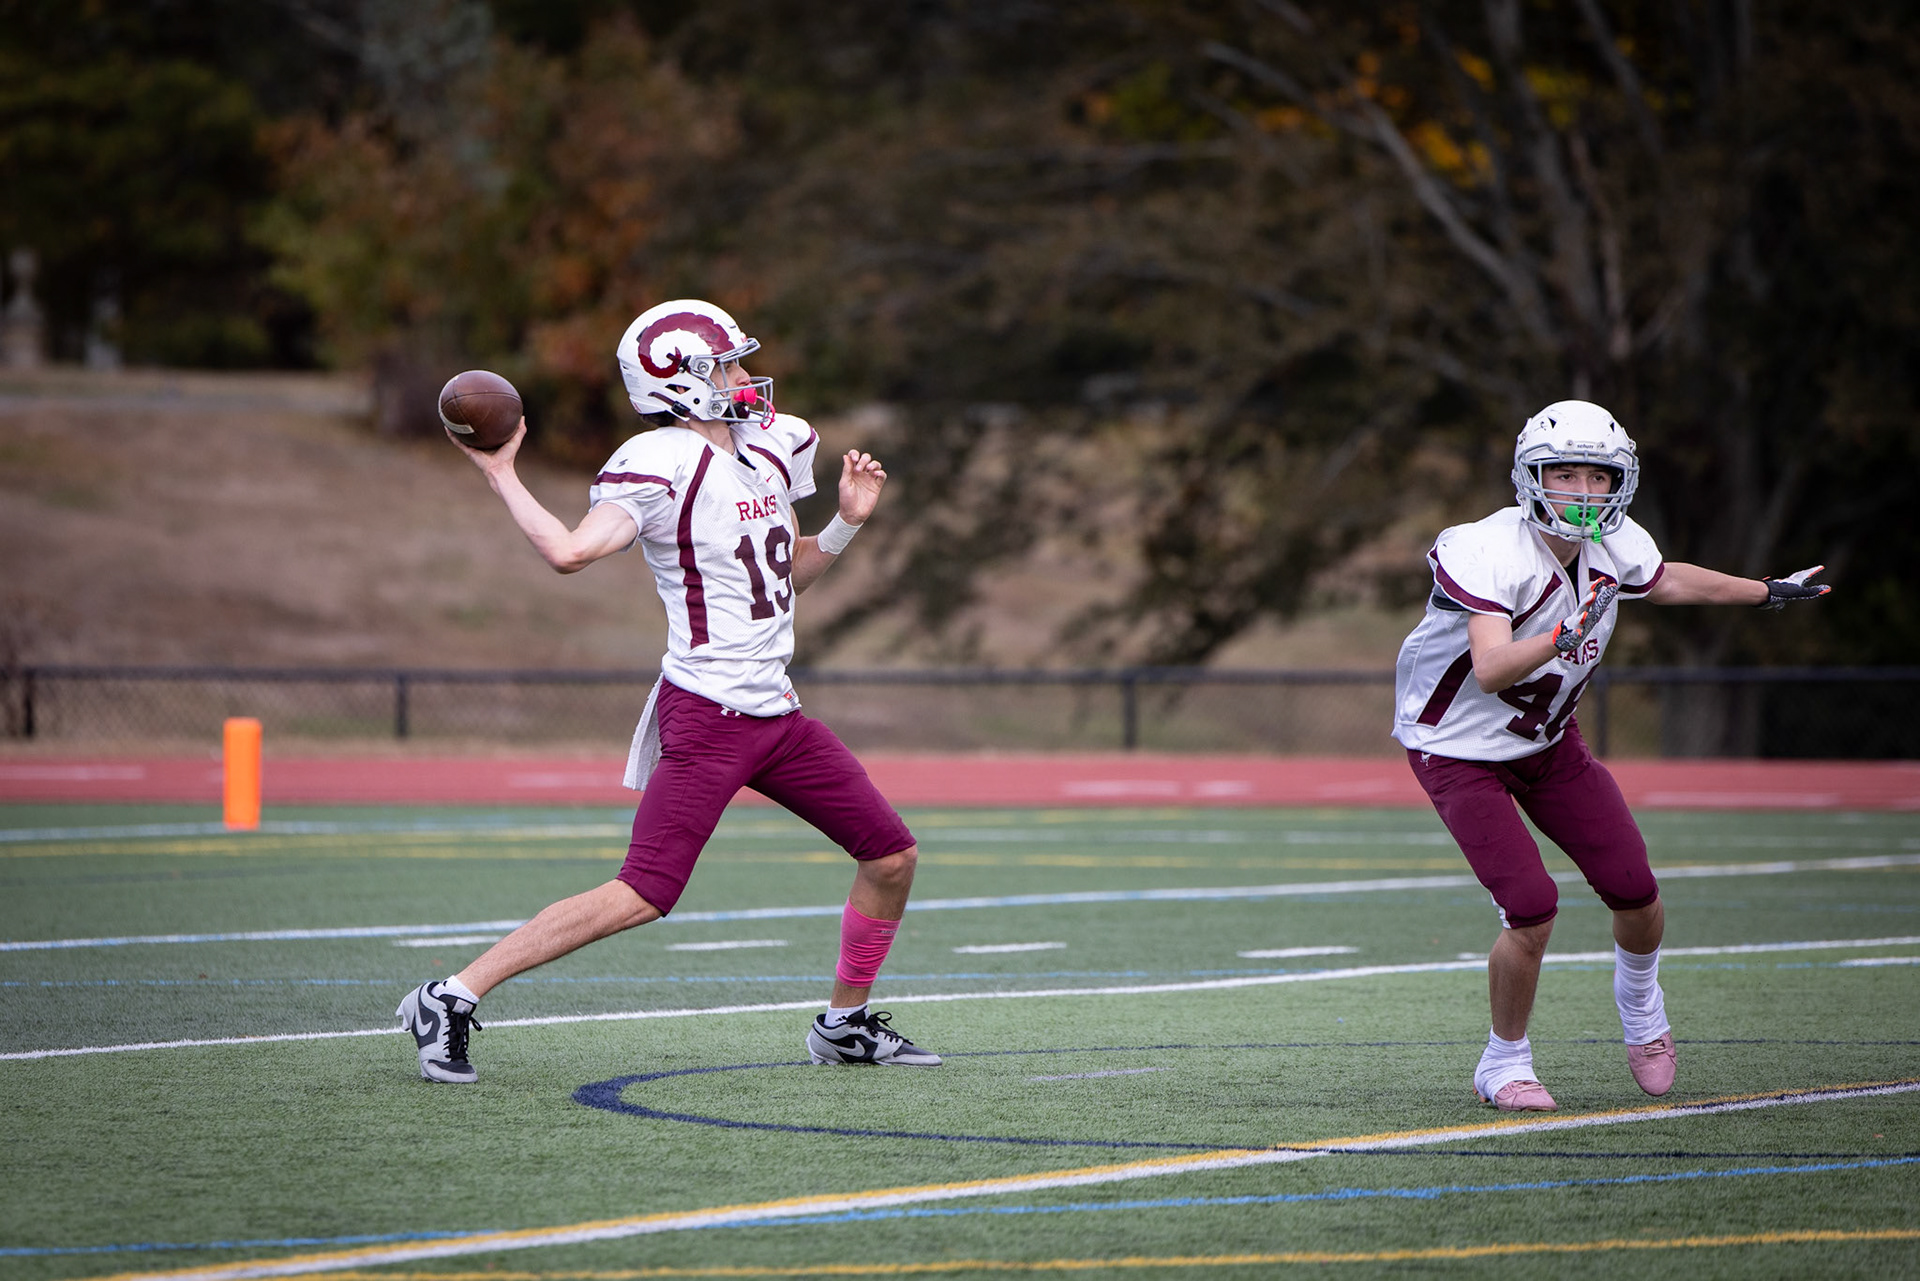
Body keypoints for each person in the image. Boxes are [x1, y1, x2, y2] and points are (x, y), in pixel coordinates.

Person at [396, 300, 940, 1082]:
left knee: (890, 856)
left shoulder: (770, 448)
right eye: (726, 364)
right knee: (645, 890)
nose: (745, 376)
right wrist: (501, 472)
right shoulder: (658, 463)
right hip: (710, 713)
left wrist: (847, 525)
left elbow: (782, 583)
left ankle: (843, 1024)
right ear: (683, 382)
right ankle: (449, 995)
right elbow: (569, 552)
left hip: (774, 711)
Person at [1392, 400, 1829, 1111]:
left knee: (1636, 889)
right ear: (1531, 477)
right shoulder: (1483, 547)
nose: (1583, 493)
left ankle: (1641, 1007)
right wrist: (1560, 636)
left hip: (1548, 741)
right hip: (1457, 749)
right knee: (1531, 906)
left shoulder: (1615, 543)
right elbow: (1492, 667)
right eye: (1563, 474)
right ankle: (1503, 1062)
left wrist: (1767, 591)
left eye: (1598, 477)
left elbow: (1670, 579)